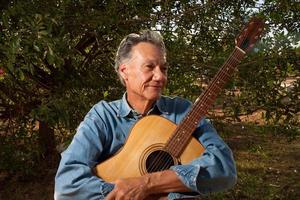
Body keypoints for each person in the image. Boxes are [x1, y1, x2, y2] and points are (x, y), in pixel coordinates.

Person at [54, 30, 237, 200]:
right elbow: (67, 184)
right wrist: (126, 192)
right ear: (124, 71)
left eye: (163, 69)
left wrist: (146, 184)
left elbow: (224, 168)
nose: (160, 77)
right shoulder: (102, 116)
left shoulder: (183, 111)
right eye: (150, 67)